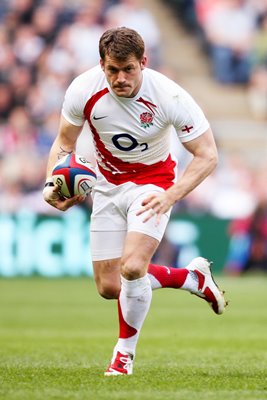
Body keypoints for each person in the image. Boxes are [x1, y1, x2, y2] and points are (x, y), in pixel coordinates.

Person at [43, 27, 227, 376]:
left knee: (131, 268)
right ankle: (191, 279)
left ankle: (123, 355)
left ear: (143, 62)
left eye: (128, 69)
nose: (120, 78)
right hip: (107, 186)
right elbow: (63, 145)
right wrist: (55, 185)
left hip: (154, 184)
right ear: (102, 65)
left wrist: (171, 195)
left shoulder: (170, 97)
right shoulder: (83, 89)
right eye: (112, 70)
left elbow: (207, 155)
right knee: (110, 287)